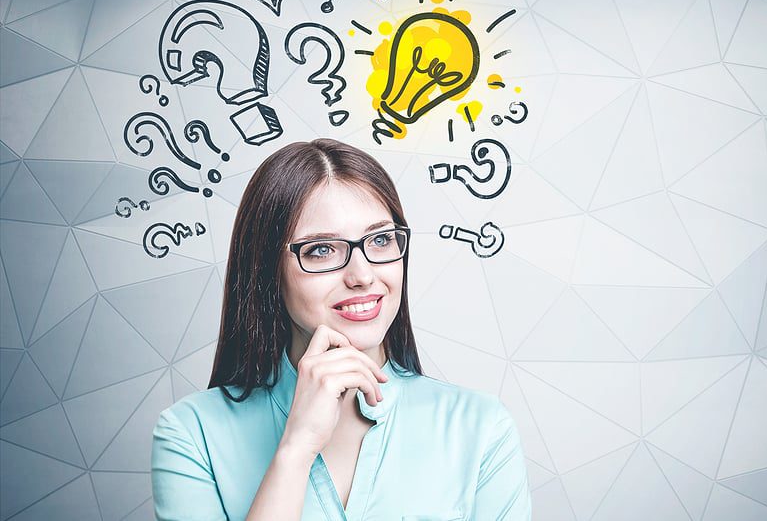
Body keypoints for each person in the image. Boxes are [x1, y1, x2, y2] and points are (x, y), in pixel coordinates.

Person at [151, 138, 532, 520]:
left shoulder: (481, 428)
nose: (363, 275)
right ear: (267, 268)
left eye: (380, 240)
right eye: (321, 249)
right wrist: (296, 448)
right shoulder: (190, 434)